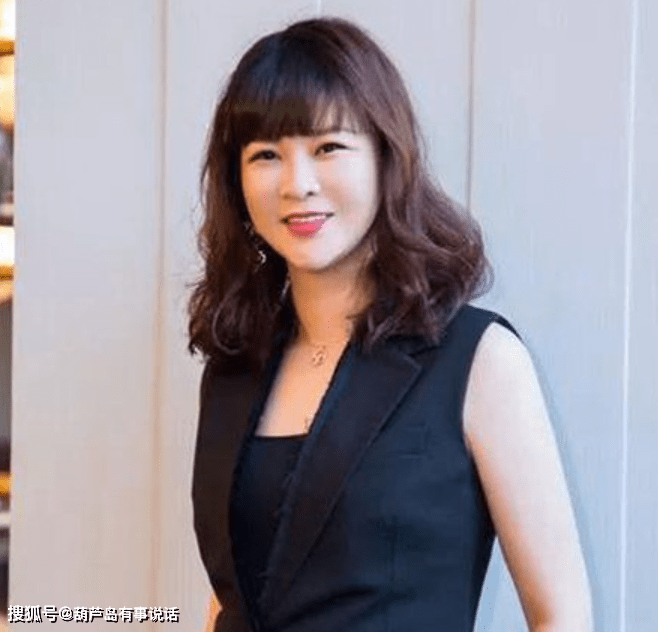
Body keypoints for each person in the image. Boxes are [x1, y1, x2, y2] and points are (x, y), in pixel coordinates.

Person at [189, 17, 592, 632]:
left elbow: (562, 613)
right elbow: (229, 596)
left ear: (386, 158)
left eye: (328, 147)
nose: (298, 184)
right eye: (266, 155)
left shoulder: (477, 358)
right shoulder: (233, 367)